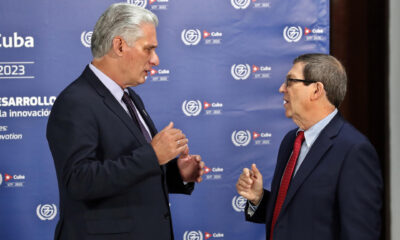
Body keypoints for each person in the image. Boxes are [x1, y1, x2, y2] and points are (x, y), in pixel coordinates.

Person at [46, 3, 204, 240]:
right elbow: (78, 181)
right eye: (148, 49)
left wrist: (176, 174)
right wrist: (153, 155)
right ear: (119, 45)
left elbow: (133, 175)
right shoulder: (76, 102)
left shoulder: (130, 97)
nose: (156, 60)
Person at [236, 53, 383, 240]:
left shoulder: (353, 150)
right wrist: (258, 199)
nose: (282, 89)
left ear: (316, 90)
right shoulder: (291, 141)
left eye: (290, 81)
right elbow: (296, 214)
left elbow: (360, 233)